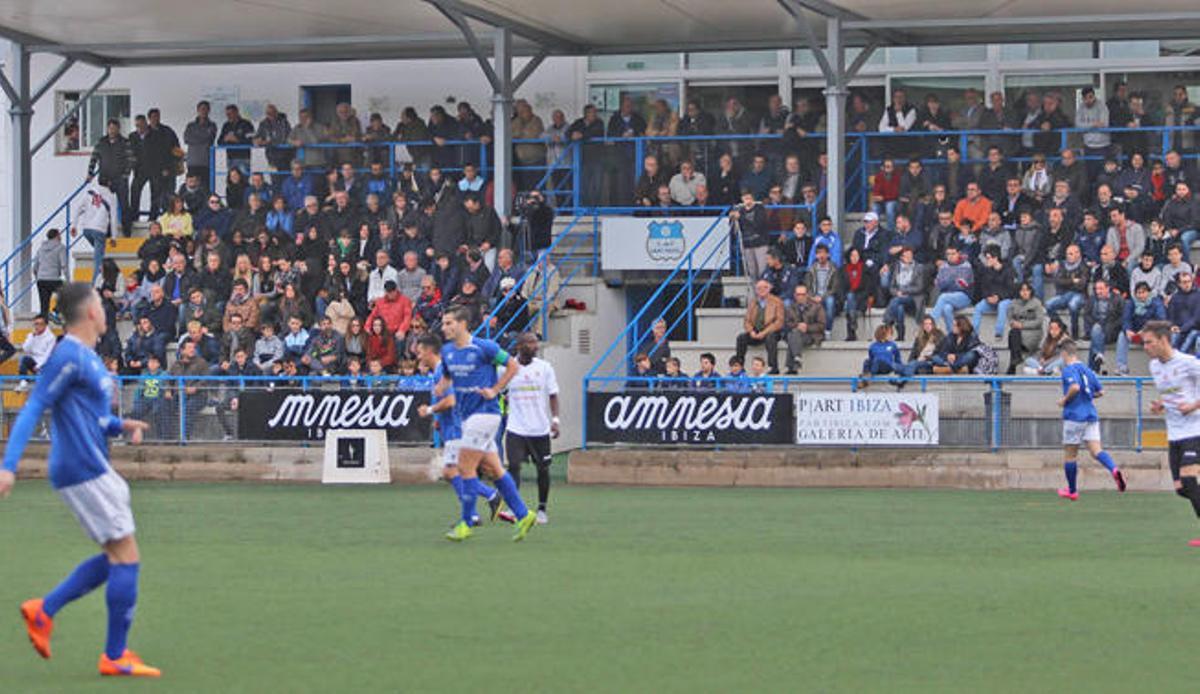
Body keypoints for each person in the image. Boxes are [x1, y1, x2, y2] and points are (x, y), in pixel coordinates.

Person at [2, 282, 160, 677]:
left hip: (92, 465)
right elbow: (36, 404)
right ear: (91, 312)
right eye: (101, 303)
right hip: (83, 466)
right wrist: (9, 465)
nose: (105, 309)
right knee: (128, 558)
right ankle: (113, 655)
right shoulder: (68, 354)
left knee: (117, 557)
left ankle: (45, 610)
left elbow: (93, 418)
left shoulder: (87, 358)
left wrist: (121, 425)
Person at [437, 306, 536, 541]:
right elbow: (448, 376)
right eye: (443, 323)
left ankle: (466, 522)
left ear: (463, 324)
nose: (444, 328)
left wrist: (495, 389)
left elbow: (513, 366)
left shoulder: (485, 347)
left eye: (449, 323)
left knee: (465, 466)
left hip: (486, 414)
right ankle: (523, 514)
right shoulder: (448, 351)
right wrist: (442, 387)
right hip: (466, 417)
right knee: (494, 469)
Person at [415, 334, 501, 528]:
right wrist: (438, 419)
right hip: (451, 426)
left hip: (455, 428)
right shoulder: (440, 371)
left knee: (451, 471)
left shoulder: (441, 372)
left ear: (429, 352)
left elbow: (451, 400)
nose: (418, 357)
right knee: (457, 471)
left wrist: (429, 410)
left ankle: (482, 506)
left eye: (420, 352)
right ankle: (485, 503)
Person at [1142, 321, 1200, 546]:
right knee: (1181, 488)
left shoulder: (1187, 363)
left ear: (1164, 340)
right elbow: (1171, 395)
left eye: (1149, 342)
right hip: (1174, 434)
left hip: (1195, 430)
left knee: (1188, 478)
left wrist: (1194, 406)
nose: (1145, 347)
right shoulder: (1154, 367)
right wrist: (1161, 405)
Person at [1055, 340, 1127, 501]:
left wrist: (1064, 400)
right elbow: (1101, 391)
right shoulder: (1087, 370)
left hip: (1075, 415)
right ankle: (1114, 470)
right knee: (1096, 450)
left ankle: (1072, 490)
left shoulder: (1068, 370)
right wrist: (1088, 396)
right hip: (1091, 415)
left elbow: (1075, 387)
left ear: (1064, 353)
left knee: (1070, 455)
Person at [503, 333, 560, 525]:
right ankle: (513, 508)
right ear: (519, 346)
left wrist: (556, 420)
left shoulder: (544, 368)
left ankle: (542, 509)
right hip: (516, 427)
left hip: (539, 429)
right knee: (514, 466)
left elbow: (553, 395)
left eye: (535, 342)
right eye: (530, 342)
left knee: (543, 469)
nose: (535, 345)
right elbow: (499, 388)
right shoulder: (508, 367)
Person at [71, 177, 120, 285]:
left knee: (100, 254)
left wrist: (74, 226)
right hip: (99, 230)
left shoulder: (89, 192)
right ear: (109, 182)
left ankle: (101, 279)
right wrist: (114, 237)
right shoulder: (111, 197)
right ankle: (94, 284)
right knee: (98, 261)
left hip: (86, 229)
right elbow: (113, 218)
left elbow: (78, 209)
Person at [735, 279, 785, 375]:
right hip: (756, 331)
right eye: (759, 288)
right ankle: (739, 367)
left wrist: (764, 332)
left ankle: (773, 367)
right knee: (741, 338)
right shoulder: (753, 302)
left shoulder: (777, 302)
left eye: (765, 287)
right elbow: (747, 321)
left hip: (771, 331)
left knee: (771, 337)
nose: (762, 290)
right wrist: (751, 331)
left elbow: (779, 322)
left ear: (769, 289)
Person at [784, 284, 825, 374]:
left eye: (803, 294)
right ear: (795, 295)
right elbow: (787, 323)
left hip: (812, 335)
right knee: (793, 333)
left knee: (792, 335)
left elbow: (821, 325)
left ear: (807, 295)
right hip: (797, 334)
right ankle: (796, 359)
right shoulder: (790, 307)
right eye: (798, 294)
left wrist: (807, 327)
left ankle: (791, 366)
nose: (801, 297)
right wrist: (797, 325)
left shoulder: (817, 307)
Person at [1006, 282, 1046, 374]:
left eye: (1027, 290)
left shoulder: (1036, 303)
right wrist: (1013, 323)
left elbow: (1039, 321)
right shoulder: (1013, 303)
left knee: (1014, 336)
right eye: (1022, 290)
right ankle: (1015, 360)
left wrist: (1022, 325)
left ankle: (1013, 365)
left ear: (1031, 291)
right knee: (1013, 333)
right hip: (1018, 333)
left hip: (1033, 333)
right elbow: (1009, 317)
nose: (1025, 292)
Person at [34, 228, 68, 316]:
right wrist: (68, 280)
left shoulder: (41, 248)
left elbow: (35, 267)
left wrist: (38, 278)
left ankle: (45, 319)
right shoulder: (61, 247)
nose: (61, 237)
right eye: (59, 235)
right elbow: (64, 265)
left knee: (44, 307)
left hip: (41, 280)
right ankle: (56, 310)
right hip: (54, 279)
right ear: (56, 236)